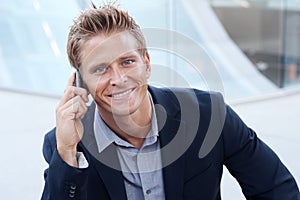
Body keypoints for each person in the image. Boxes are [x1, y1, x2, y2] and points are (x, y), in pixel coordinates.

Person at [41, 2, 300, 200]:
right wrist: (66, 152)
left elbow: (278, 190)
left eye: (127, 62)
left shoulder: (210, 116)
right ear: (80, 82)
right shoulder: (64, 143)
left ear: (147, 63)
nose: (118, 78)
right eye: (100, 69)